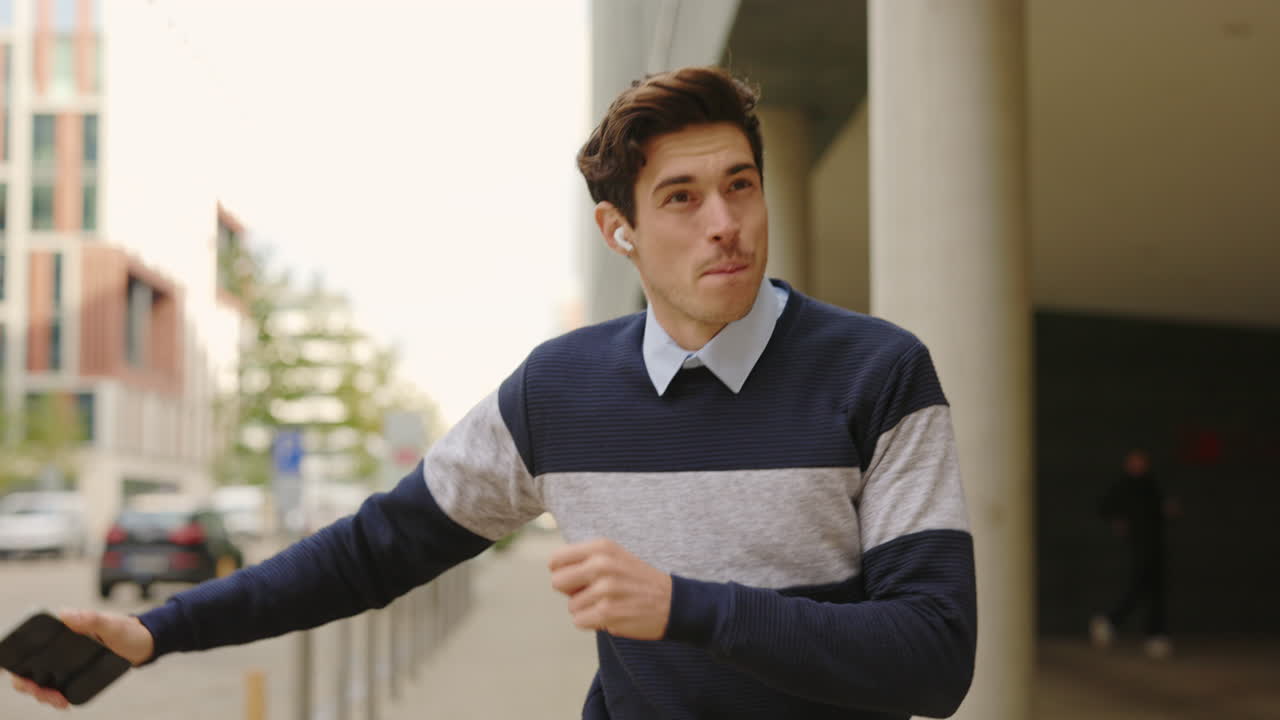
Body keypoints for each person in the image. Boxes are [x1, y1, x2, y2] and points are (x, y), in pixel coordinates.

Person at [9, 67, 976, 719]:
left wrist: (687, 607)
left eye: (741, 185)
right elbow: (375, 550)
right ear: (621, 231)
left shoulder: (879, 372)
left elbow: (934, 657)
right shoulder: (556, 392)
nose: (725, 223)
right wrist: (156, 629)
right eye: (682, 198)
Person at [1091, 448, 1176, 659]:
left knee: (1155, 588)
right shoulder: (1123, 486)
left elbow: (1158, 509)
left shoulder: (1151, 484)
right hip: (1139, 543)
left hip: (1155, 541)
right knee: (1140, 585)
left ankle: (1154, 635)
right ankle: (1114, 623)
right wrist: (1118, 520)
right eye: (1134, 461)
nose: (1138, 465)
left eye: (1141, 461)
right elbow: (1106, 507)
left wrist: (1166, 511)